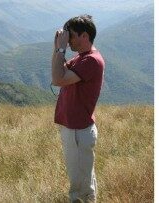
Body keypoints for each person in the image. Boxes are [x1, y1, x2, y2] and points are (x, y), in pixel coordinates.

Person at [51, 15, 105, 203]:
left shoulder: (91, 61)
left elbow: (58, 79)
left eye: (71, 36)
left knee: (79, 186)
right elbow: (57, 74)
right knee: (84, 177)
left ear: (84, 36)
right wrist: (57, 47)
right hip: (75, 129)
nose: (69, 40)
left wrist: (60, 48)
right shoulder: (81, 58)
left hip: (78, 131)